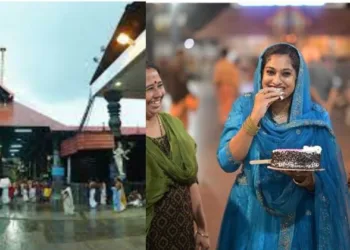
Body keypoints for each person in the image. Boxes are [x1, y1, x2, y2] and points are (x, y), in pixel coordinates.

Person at [217, 43, 350, 250]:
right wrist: (255, 116)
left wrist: (305, 179)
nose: (276, 80)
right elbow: (227, 162)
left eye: (286, 74)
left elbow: (330, 177)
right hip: (252, 212)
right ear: (261, 74)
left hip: (299, 218)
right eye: (270, 72)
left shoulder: (316, 117)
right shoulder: (245, 107)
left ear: (298, 78)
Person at [146, 62, 210, 250]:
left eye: (159, 85)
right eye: (149, 89)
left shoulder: (174, 125)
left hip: (183, 233)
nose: (158, 93)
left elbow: (191, 181)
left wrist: (202, 229)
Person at [165, 49, 199, 130]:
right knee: (178, 121)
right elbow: (182, 84)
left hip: (177, 98)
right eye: (183, 56)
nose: (184, 58)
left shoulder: (173, 67)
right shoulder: (178, 68)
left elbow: (170, 83)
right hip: (179, 99)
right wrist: (190, 94)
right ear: (179, 56)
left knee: (181, 121)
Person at [213, 48, 240, 126]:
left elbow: (216, 78)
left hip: (222, 87)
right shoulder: (231, 65)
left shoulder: (219, 65)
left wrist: (216, 88)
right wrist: (236, 88)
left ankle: (223, 120)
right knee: (229, 104)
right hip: (231, 87)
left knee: (222, 104)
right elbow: (235, 76)